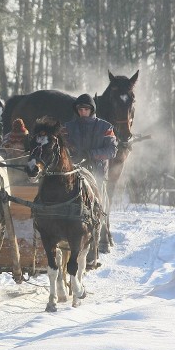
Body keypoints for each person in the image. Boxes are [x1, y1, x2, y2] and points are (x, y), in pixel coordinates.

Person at [63, 94, 118, 256]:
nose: (83, 112)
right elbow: (63, 146)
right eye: (80, 109)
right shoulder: (68, 127)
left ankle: (101, 238)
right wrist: (72, 154)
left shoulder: (106, 127)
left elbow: (112, 150)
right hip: (74, 170)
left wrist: (91, 154)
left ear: (92, 109)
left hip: (97, 171)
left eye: (86, 109)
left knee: (98, 205)